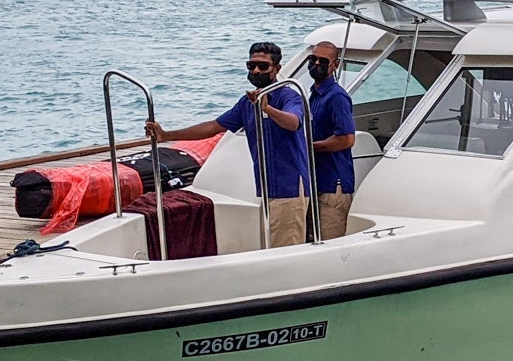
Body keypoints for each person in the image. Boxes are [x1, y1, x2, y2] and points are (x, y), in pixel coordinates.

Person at [146, 41, 311, 246]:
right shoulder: (247, 103)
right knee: (272, 242)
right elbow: (213, 126)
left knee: (286, 247)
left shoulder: (289, 96)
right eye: (251, 66)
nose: (256, 70)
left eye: (263, 66)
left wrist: (268, 109)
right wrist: (167, 135)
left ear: (276, 69)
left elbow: (294, 122)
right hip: (267, 187)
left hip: (290, 187)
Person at [305, 41, 356, 239]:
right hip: (318, 182)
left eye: (323, 61)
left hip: (333, 185)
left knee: (329, 243)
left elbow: (346, 139)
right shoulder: (314, 95)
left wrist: (309, 148)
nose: (316, 64)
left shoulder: (336, 97)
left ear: (334, 65)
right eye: (313, 59)